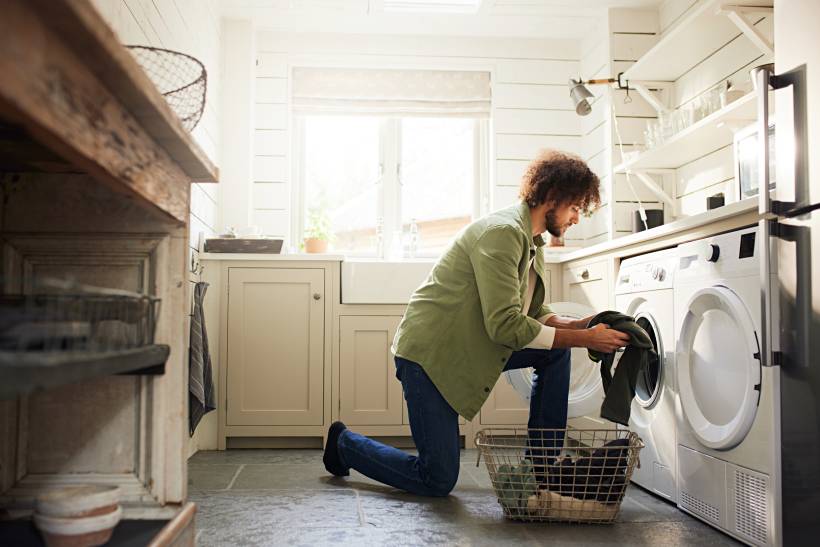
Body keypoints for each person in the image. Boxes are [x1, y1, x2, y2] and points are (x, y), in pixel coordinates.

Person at [322, 149, 630, 496]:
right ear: (553, 198)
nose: (577, 218)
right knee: (436, 479)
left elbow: (534, 313)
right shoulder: (502, 234)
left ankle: (541, 472)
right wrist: (585, 339)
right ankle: (343, 443)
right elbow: (504, 326)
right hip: (431, 356)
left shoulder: (532, 241)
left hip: (467, 347)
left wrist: (583, 325)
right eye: (575, 207)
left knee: (554, 353)